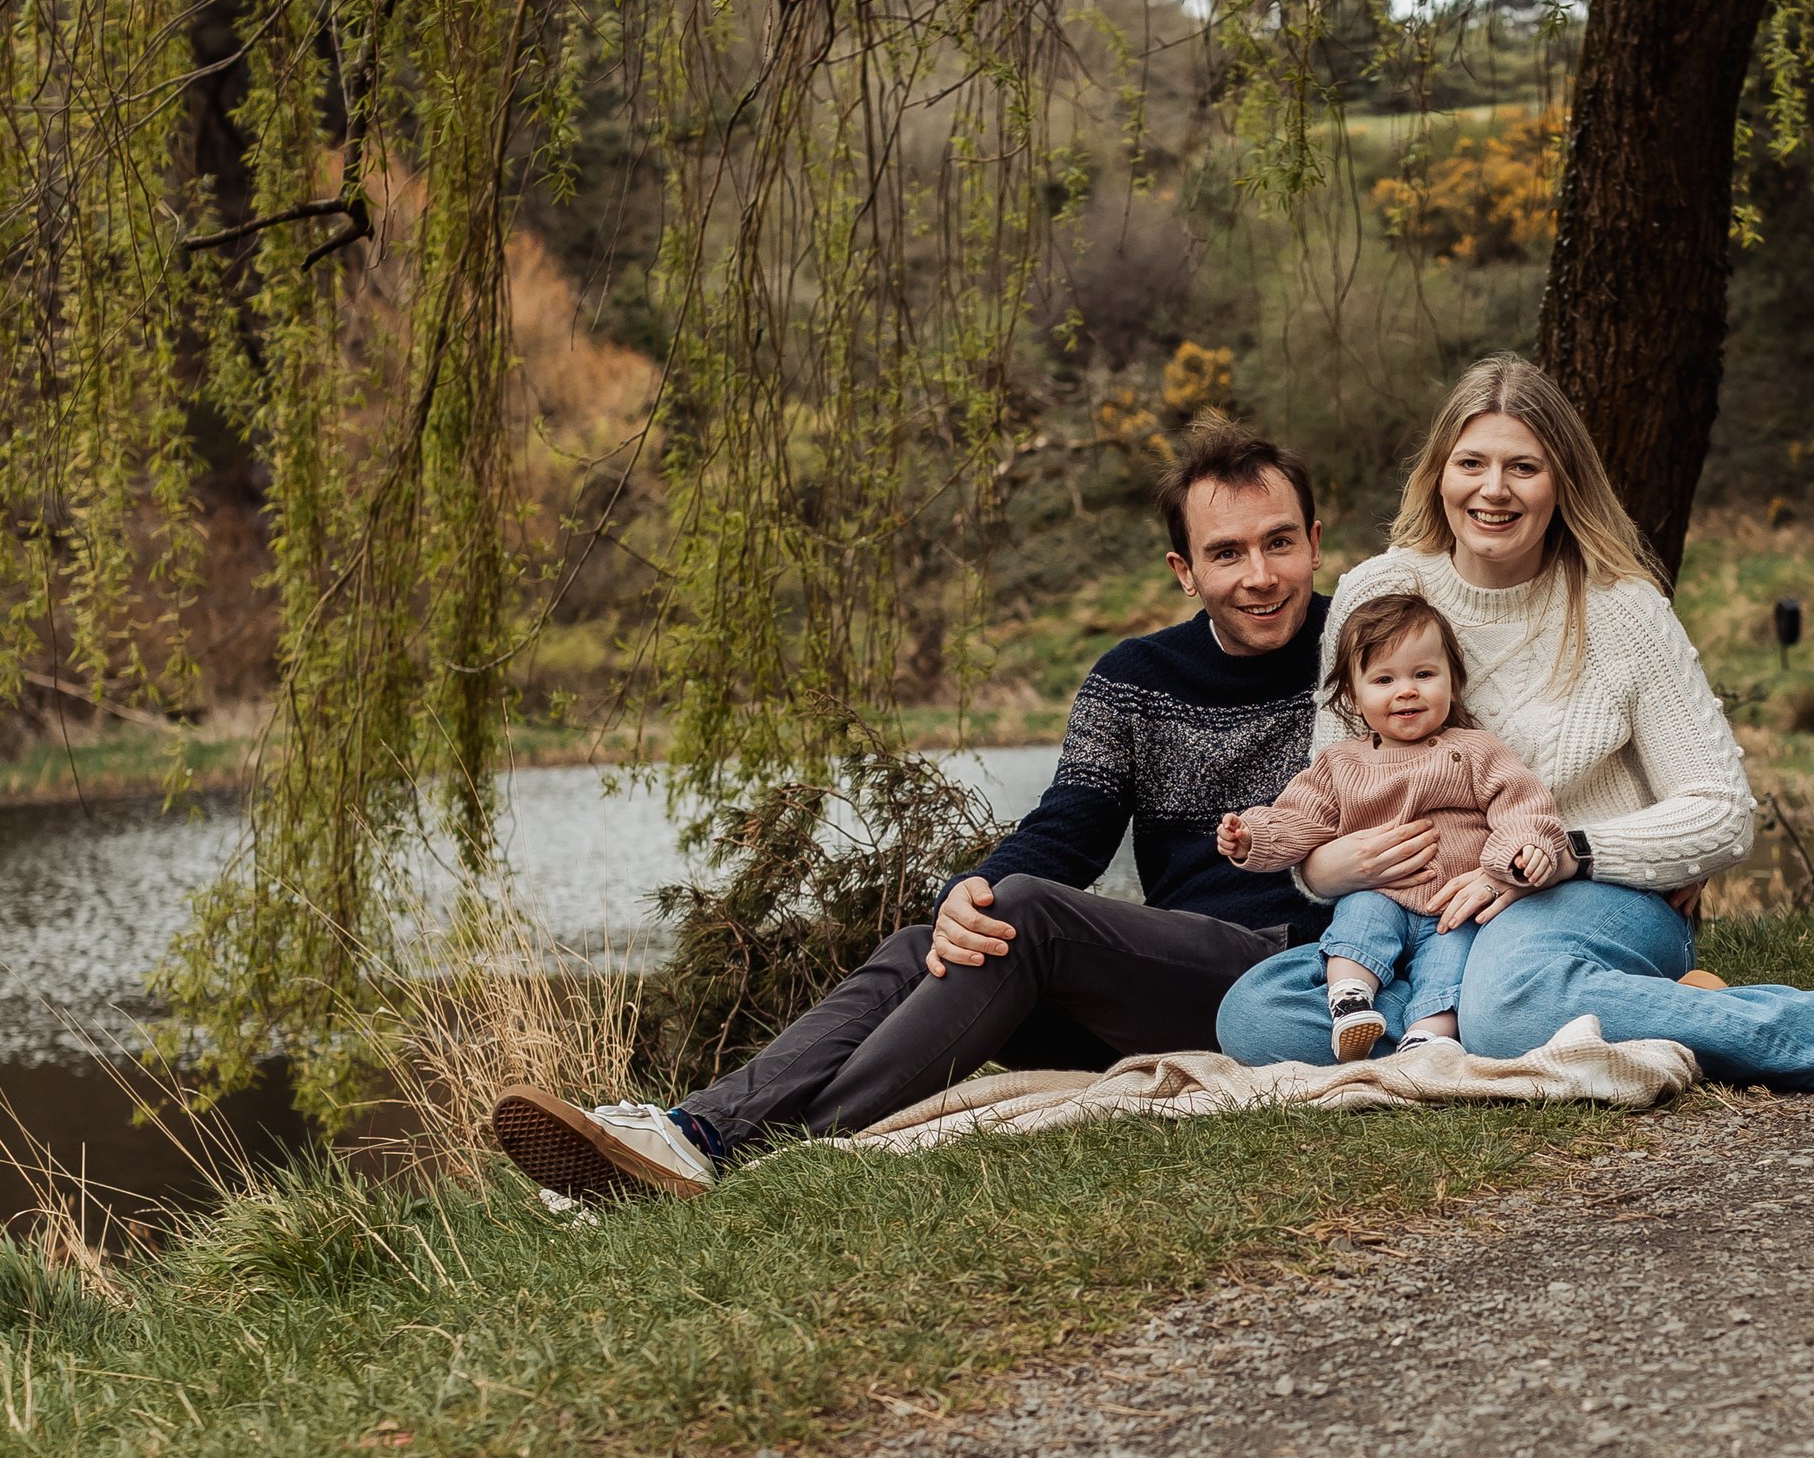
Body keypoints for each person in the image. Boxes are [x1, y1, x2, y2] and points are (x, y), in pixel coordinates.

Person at [493, 417, 1359, 1201]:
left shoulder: (1366, 656)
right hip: (1159, 990)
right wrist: (968, 891)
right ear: (1185, 570)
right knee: (943, 932)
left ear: (1315, 543)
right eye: (1227, 552)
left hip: (1294, 976)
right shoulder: (1132, 681)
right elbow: (1068, 827)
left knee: (1024, 914)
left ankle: (767, 1154)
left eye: (1279, 543)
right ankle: (698, 1133)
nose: (1260, 576)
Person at [1214, 352, 1814, 1097]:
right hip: (1422, 913)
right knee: (1253, 1014)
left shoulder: (1621, 610)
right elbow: (1329, 795)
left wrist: (1574, 854)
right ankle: (1614, 1010)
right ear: (1440, 475)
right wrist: (1323, 869)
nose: (1494, 490)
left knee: (1505, 1003)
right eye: (1472, 463)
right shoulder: (1376, 592)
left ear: (1562, 481)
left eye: (1523, 467)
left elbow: (1722, 811)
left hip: (1590, 899)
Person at [1217, 591, 1565, 1061]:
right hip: (1380, 895)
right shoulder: (1340, 764)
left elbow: (1521, 804)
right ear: (1353, 696)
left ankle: (1427, 1037)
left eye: (1424, 675)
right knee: (1359, 917)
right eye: (1384, 679)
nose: (1406, 690)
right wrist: (1253, 836)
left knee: (1452, 963)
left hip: (1453, 906)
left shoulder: (1475, 751)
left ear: (1453, 684)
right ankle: (1351, 1000)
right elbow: (1299, 817)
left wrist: (1524, 848)